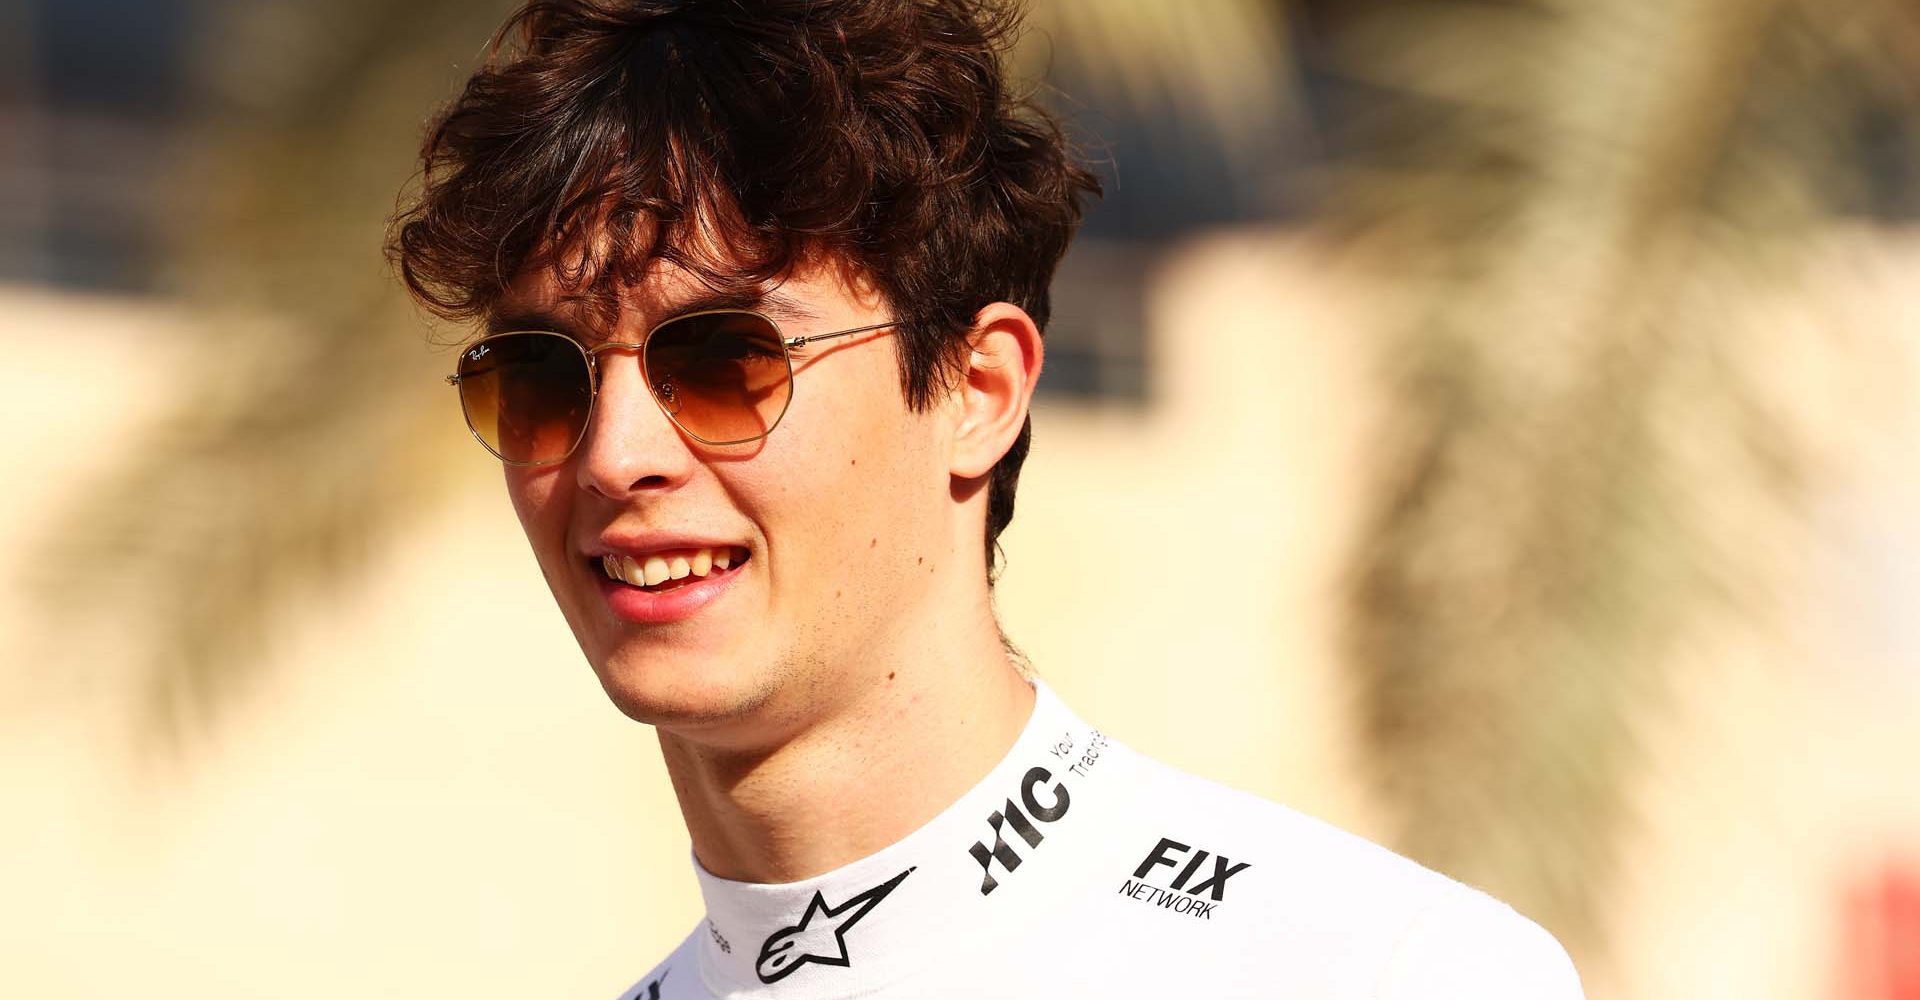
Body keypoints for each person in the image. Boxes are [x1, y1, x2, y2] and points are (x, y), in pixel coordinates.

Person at [389, 1, 1585, 996]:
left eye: (723, 359)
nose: (613, 456)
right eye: (540, 377)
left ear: (977, 387)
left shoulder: (1381, 971)